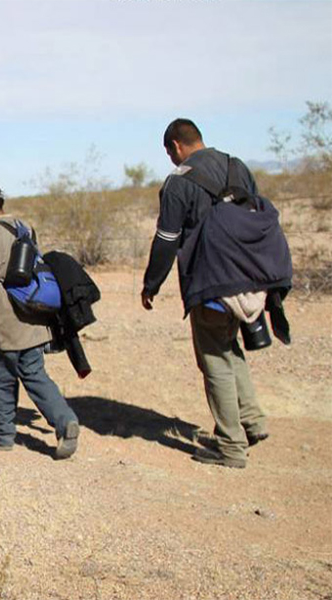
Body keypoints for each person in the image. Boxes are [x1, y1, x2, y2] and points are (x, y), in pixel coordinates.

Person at [141, 119, 283, 468]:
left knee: (214, 359)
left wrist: (151, 284)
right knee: (229, 346)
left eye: (169, 153)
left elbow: (167, 240)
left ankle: (231, 445)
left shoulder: (177, 183)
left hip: (211, 282)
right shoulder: (238, 166)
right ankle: (251, 420)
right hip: (251, 275)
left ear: (175, 146)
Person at [0, 179, 79, 459]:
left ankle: (2, 436)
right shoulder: (23, 227)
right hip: (33, 318)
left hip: (4, 323)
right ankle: (65, 421)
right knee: (36, 376)